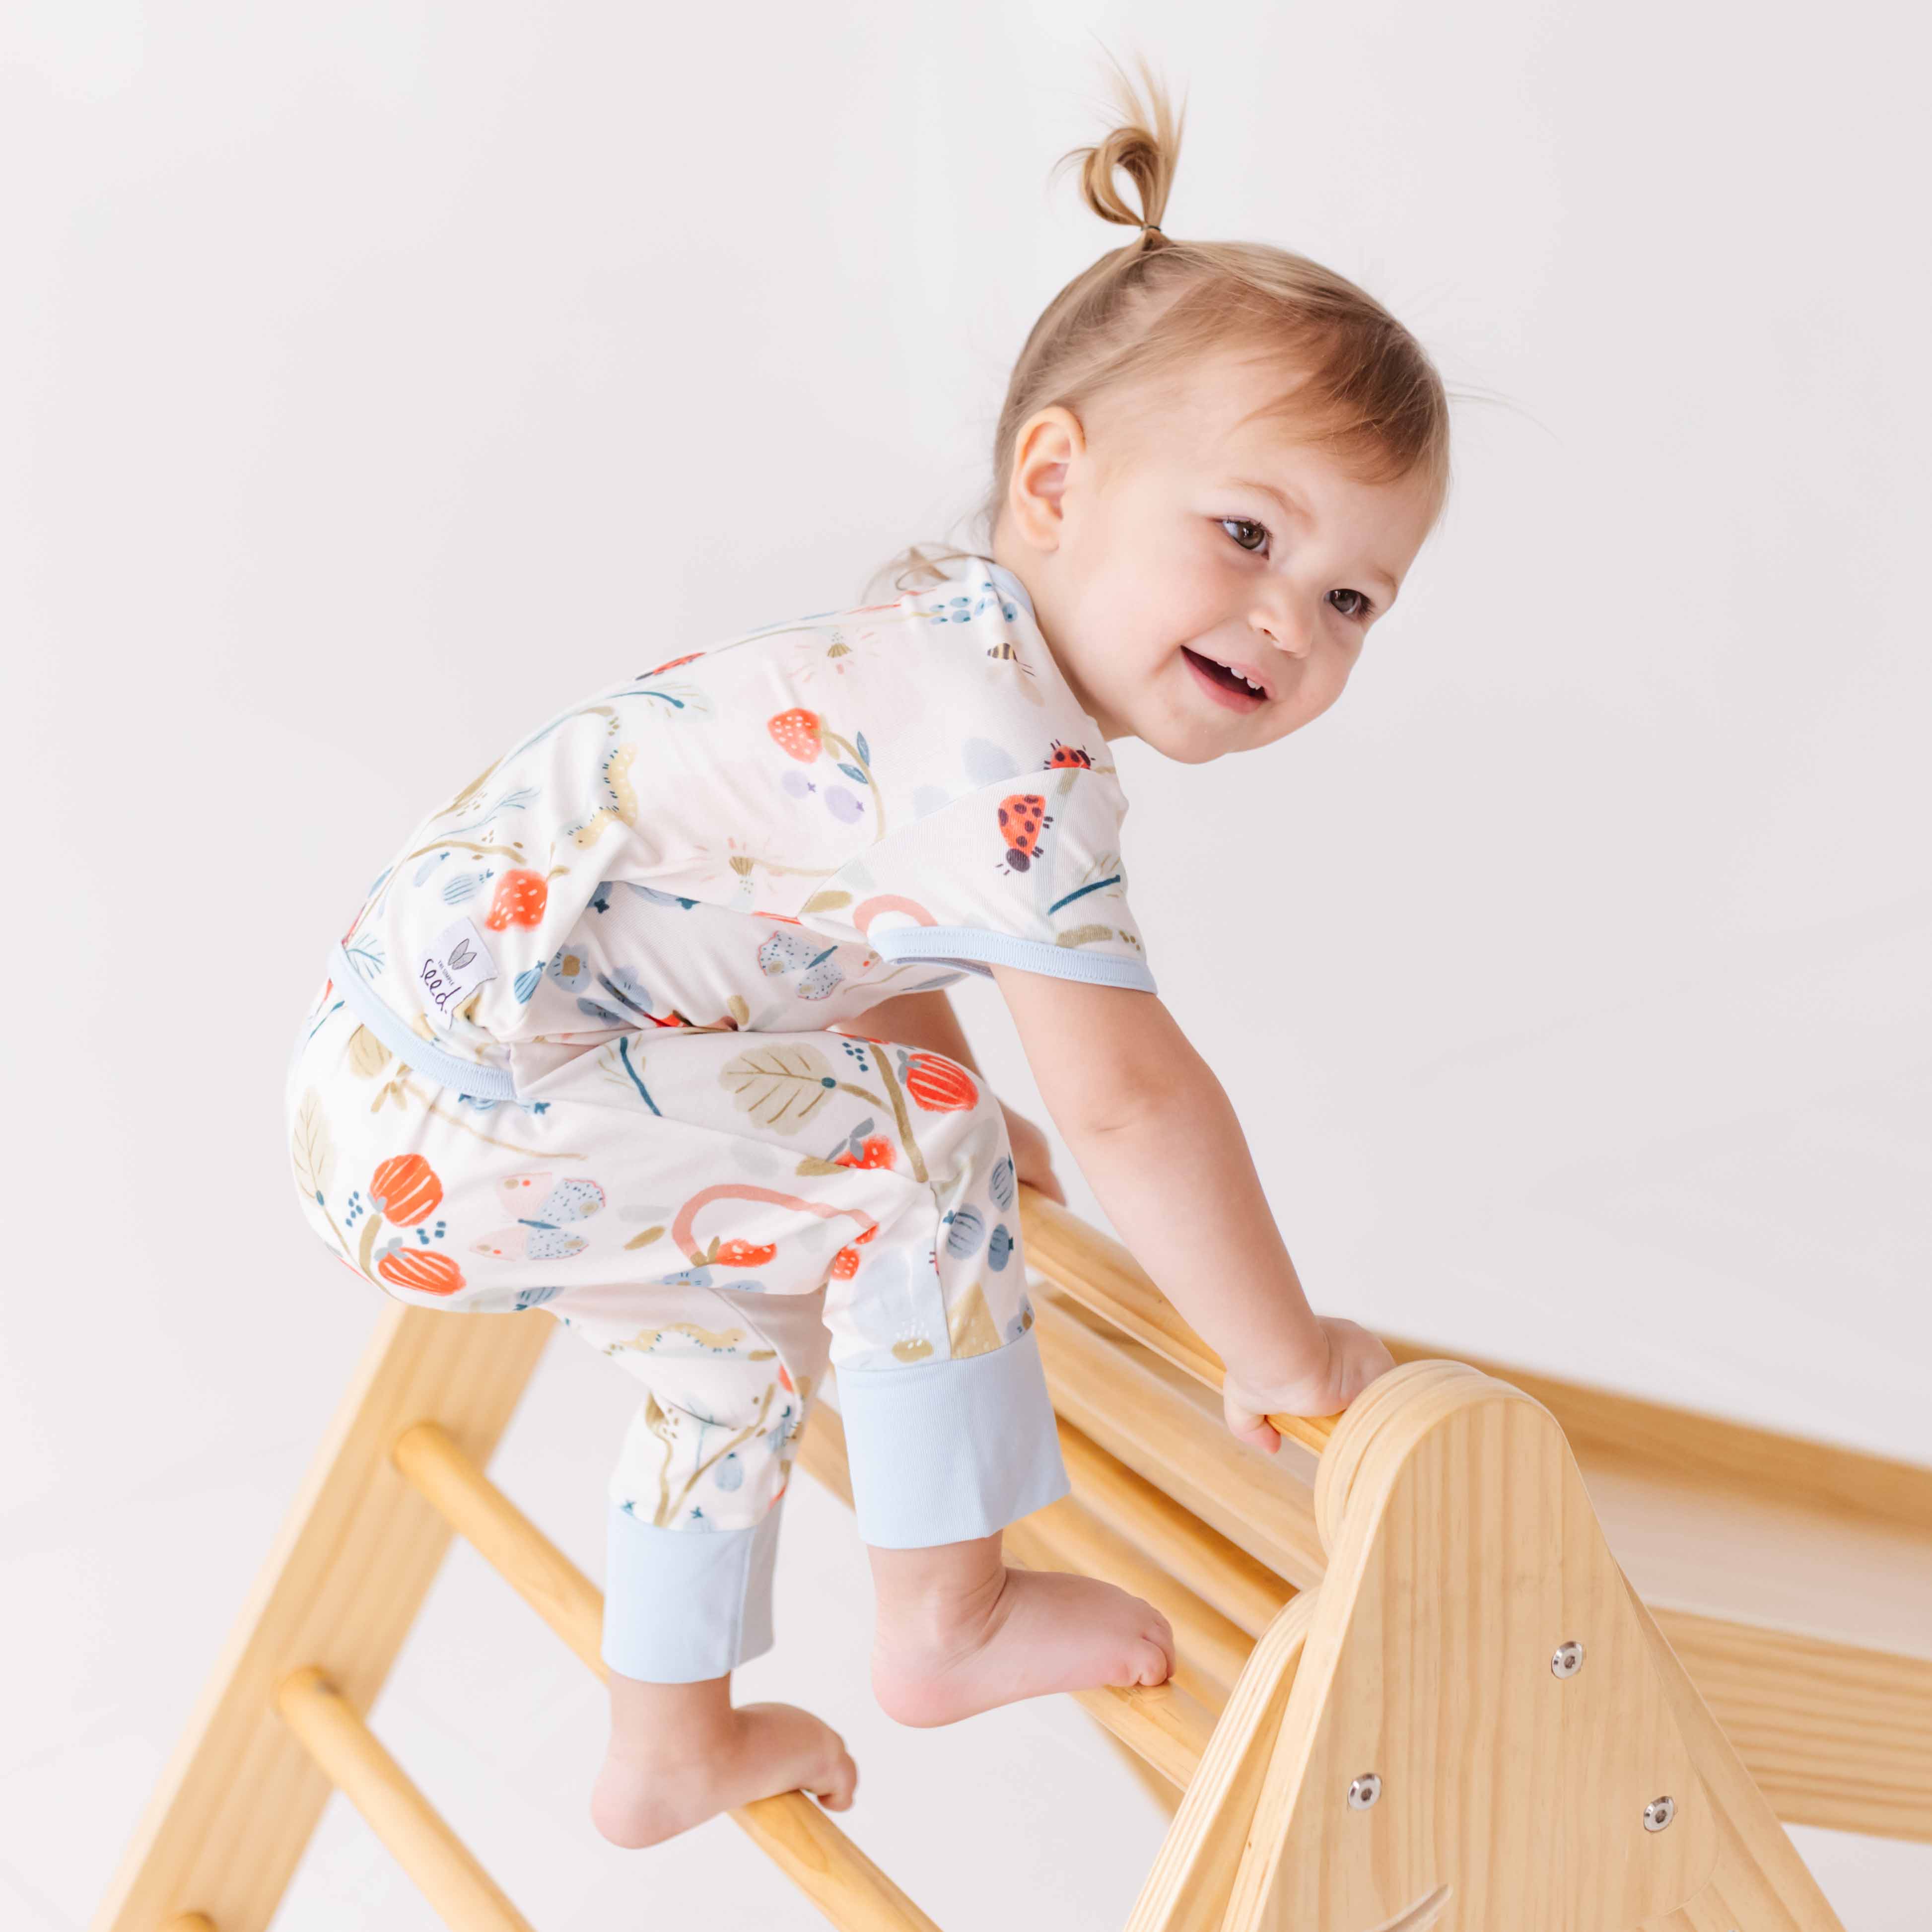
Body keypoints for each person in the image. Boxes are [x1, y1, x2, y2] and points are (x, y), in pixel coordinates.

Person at [282, 51, 1448, 1851]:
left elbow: (848, 941)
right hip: (483, 1095)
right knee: (921, 1143)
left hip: (400, 1091)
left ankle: (665, 1739)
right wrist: (1281, 1355)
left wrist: (953, 1109)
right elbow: (1135, 1103)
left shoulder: (934, 630)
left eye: (1351, 595)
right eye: (1244, 531)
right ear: (1053, 481)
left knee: (733, 1335)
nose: (1286, 617)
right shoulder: (1010, 760)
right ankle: (949, 1613)